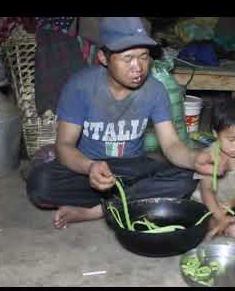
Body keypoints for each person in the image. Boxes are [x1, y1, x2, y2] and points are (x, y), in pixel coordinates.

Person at [26, 17, 223, 229]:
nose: (138, 67)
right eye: (128, 58)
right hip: (89, 168)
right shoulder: (80, 86)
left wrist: (195, 159)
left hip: (132, 169)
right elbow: (64, 146)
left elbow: (171, 145)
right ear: (103, 57)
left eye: (144, 57)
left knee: (185, 178)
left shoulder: (155, 90)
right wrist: (90, 166)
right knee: (40, 184)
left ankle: (96, 211)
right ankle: (131, 202)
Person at [191, 98, 235, 243]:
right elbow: (207, 192)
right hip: (208, 205)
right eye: (231, 140)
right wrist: (219, 215)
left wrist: (232, 203)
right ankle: (228, 227)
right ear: (216, 134)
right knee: (202, 221)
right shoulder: (209, 157)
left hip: (233, 205)